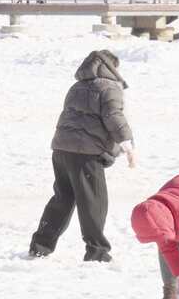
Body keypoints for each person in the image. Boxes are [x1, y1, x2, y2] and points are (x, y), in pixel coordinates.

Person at [29, 50, 136, 262]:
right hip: (85, 154)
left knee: (63, 198)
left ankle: (40, 245)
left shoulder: (76, 87)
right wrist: (127, 144)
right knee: (93, 202)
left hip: (61, 150)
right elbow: (114, 116)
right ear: (111, 67)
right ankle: (97, 252)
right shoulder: (109, 88)